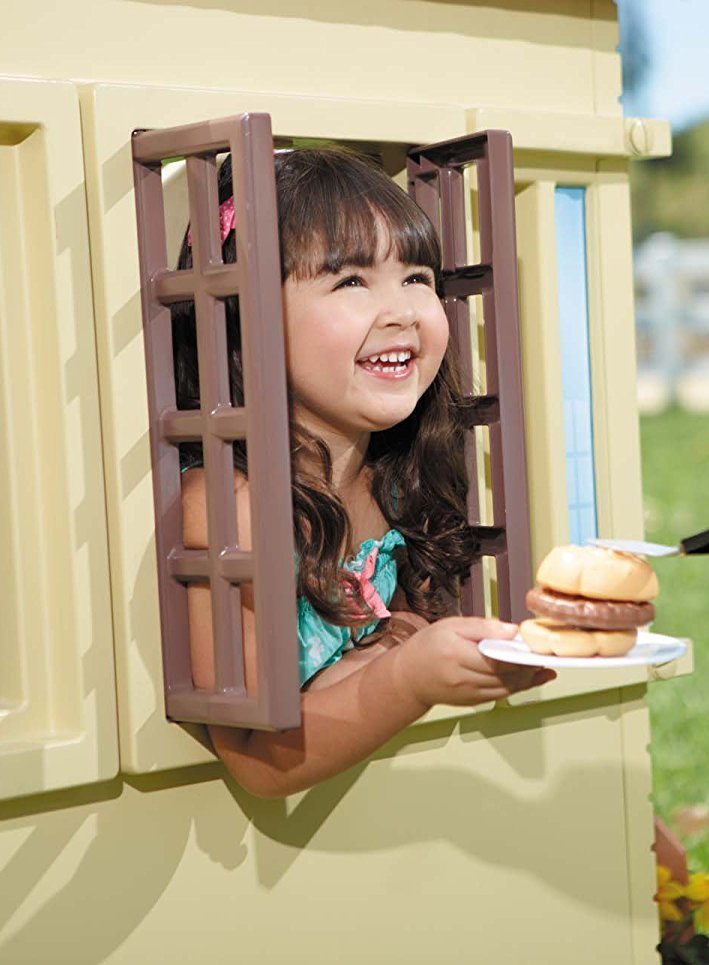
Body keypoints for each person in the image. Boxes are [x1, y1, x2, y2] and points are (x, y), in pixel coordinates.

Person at [173, 147, 553, 800]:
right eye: (351, 281)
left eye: (416, 277)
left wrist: (401, 651)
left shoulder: (397, 479)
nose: (401, 310)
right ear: (244, 317)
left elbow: (403, 630)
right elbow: (259, 759)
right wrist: (407, 675)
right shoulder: (227, 505)